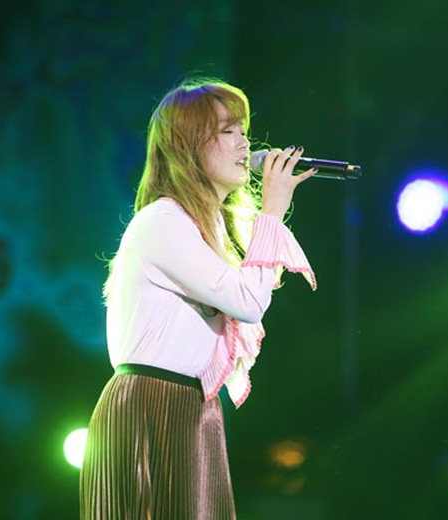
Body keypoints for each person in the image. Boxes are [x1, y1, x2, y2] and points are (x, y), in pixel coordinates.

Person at [79, 78, 317, 519]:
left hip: (192, 406)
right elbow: (248, 302)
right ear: (189, 146)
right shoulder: (162, 221)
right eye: (228, 131)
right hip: (152, 403)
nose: (245, 143)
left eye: (244, 131)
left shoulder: (209, 232)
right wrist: (272, 211)